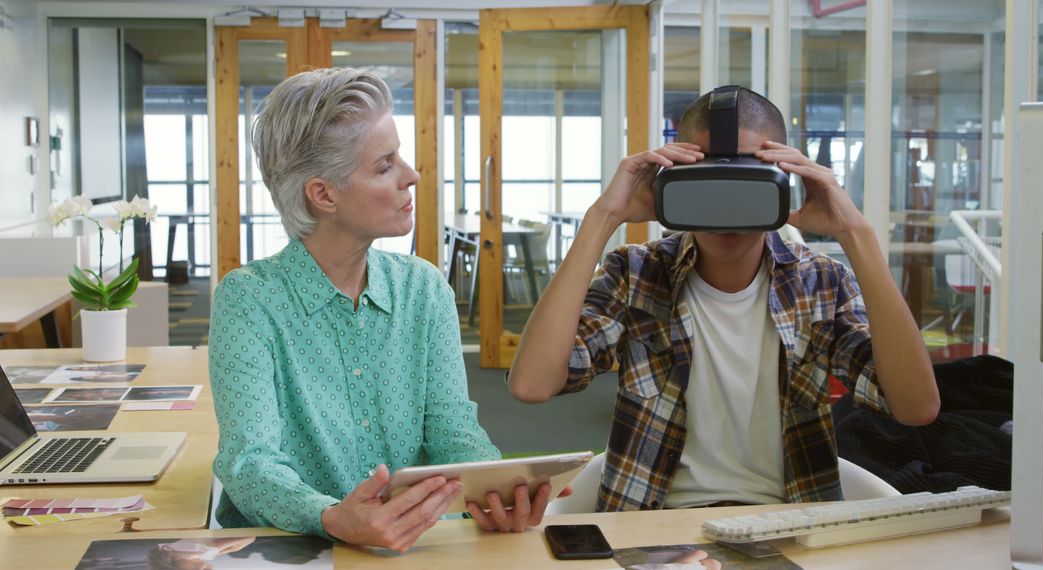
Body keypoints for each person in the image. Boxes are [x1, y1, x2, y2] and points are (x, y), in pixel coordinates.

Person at [507, 86, 940, 512]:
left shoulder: (821, 282)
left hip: (790, 526)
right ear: (673, 173)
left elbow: (915, 407)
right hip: (655, 531)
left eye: (747, 175)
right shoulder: (636, 274)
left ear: (781, 176)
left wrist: (855, 234)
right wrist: (604, 217)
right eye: (707, 174)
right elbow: (532, 384)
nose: (726, 198)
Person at [208, 68, 560, 551]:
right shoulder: (249, 300)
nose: (412, 176)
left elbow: (454, 433)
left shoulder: (424, 289)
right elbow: (249, 463)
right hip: (291, 551)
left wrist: (497, 490)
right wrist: (330, 517)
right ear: (324, 194)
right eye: (384, 165)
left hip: (412, 550)